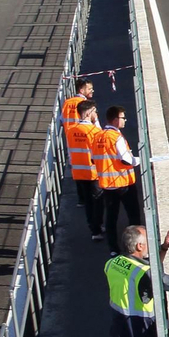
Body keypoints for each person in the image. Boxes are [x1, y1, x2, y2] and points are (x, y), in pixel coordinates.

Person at [95, 105, 143, 242]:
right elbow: (126, 159)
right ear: (115, 120)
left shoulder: (97, 136)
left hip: (107, 185)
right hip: (123, 183)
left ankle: (113, 248)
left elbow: (94, 158)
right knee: (133, 216)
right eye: (123, 118)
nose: (125, 120)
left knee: (111, 217)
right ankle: (136, 245)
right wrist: (141, 160)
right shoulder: (117, 137)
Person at [65, 99, 105, 241]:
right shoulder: (94, 131)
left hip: (78, 171)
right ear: (89, 113)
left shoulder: (71, 130)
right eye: (95, 111)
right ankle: (97, 227)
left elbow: (70, 152)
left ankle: (93, 227)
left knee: (88, 201)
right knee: (98, 201)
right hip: (93, 171)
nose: (96, 114)